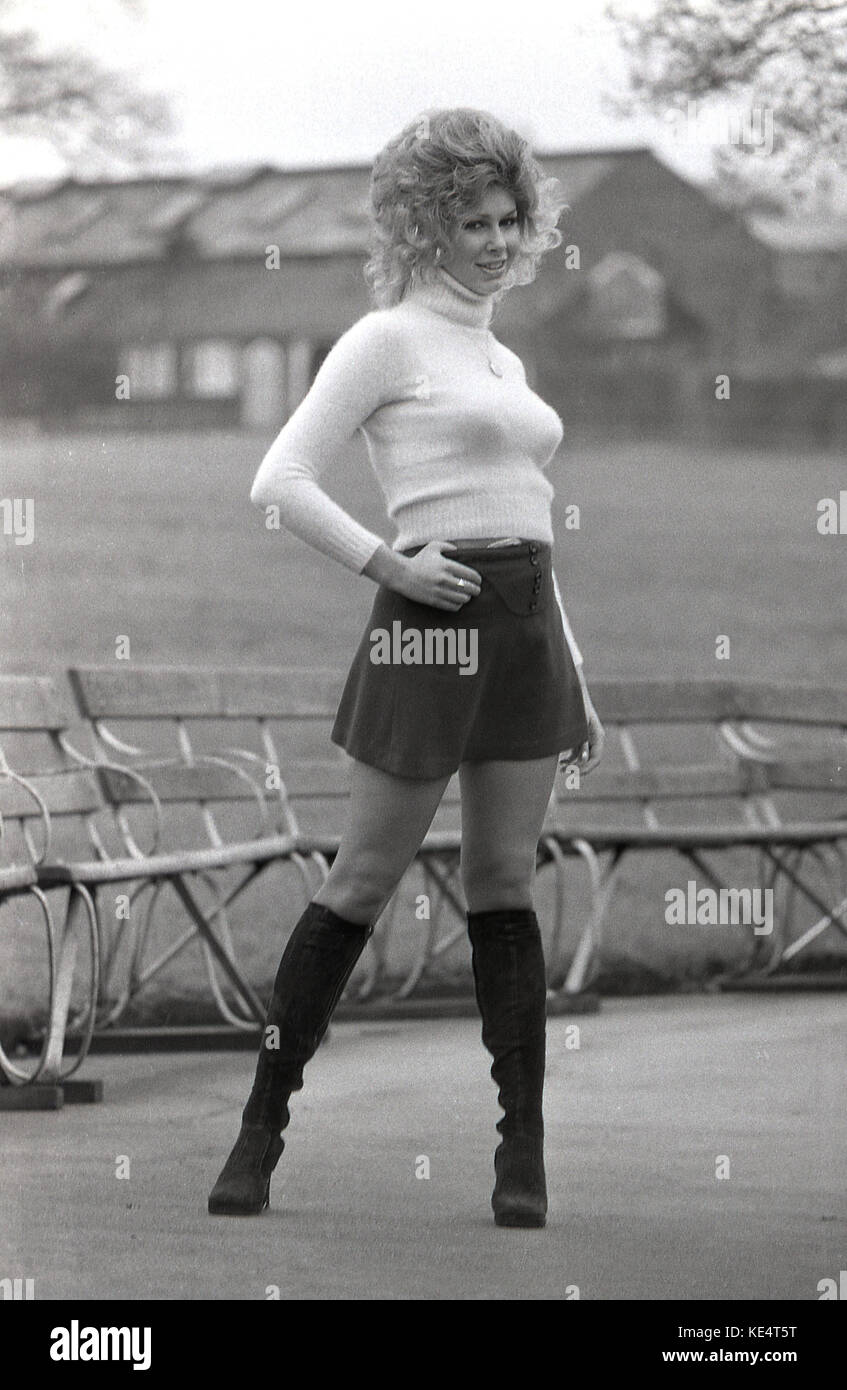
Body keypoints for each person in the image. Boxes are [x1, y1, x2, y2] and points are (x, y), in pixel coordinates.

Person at [208, 107, 605, 1228]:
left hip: (526, 633)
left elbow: (529, 517)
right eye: (469, 221)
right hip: (430, 623)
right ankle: (258, 1132)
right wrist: (391, 564)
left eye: (507, 218)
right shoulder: (385, 338)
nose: (493, 239)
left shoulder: (501, 352)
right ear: (423, 228)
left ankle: (519, 1156)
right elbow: (279, 480)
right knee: (364, 878)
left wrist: (572, 670)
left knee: (503, 887)